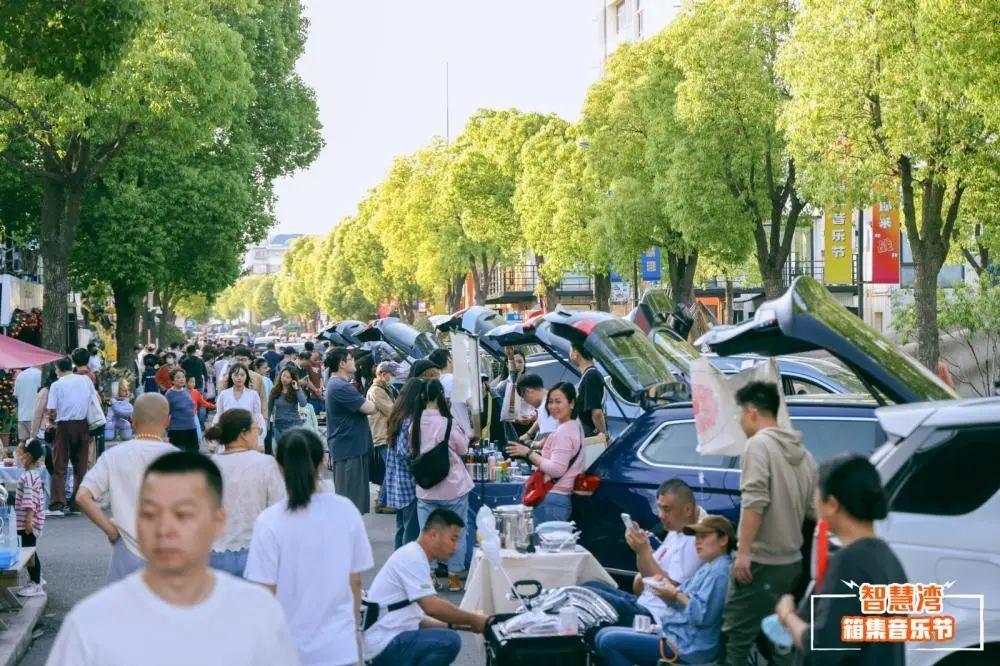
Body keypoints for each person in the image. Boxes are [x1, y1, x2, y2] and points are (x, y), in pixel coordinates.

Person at [47, 451, 299, 665]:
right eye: (149, 513)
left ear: (217, 522)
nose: (164, 528)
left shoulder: (259, 616)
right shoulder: (89, 625)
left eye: (183, 514)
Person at [245, 427, 374, 665]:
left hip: (287, 650)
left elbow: (265, 593)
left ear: (279, 467)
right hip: (339, 648)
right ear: (323, 462)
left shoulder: (269, 521)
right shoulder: (346, 511)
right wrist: (354, 629)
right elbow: (355, 581)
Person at [775, 454, 907, 665]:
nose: (814, 503)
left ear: (832, 504)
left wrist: (787, 615)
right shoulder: (888, 558)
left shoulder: (849, 563)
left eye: (816, 495)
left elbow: (821, 647)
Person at [723, 381, 818, 666]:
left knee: (734, 639)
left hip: (761, 561)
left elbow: (755, 502)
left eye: (740, 414)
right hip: (791, 563)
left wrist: (744, 553)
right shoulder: (804, 454)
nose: (740, 421)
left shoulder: (757, 445)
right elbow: (815, 511)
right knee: (779, 638)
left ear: (752, 412)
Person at [594, 515, 736, 666]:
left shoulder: (720, 572)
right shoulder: (709, 566)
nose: (697, 542)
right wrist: (666, 592)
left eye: (704, 536)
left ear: (723, 540)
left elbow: (701, 616)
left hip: (688, 647)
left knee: (608, 642)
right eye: (696, 537)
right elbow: (682, 601)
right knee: (602, 635)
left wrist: (675, 594)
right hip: (676, 635)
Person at [76, 393, 178, 584]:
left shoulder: (114, 455)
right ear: (167, 421)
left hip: (127, 549)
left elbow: (83, 496)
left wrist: (111, 531)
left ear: (133, 420)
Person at [364, 508, 487, 665]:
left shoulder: (416, 556)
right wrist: (474, 619)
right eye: (453, 539)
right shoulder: (412, 558)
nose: (455, 547)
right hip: (384, 645)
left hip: (387, 640)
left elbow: (417, 619)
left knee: (447, 633)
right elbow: (432, 607)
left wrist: (460, 624)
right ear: (434, 534)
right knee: (449, 641)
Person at [584, 478, 706, 627]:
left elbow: (668, 589)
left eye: (666, 509)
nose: (660, 515)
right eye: (659, 508)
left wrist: (644, 551)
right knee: (589, 585)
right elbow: (645, 578)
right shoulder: (679, 526)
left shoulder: (695, 540)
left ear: (687, 509)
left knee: (585, 594)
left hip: (656, 616)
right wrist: (641, 549)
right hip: (644, 603)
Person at [206, 410, 285, 577]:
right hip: (256, 551)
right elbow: (279, 509)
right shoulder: (266, 463)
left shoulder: (209, 465)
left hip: (214, 552)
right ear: (243, 433)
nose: (258, 434)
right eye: (256, 429)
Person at [412, 378, 472, 592]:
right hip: (453, 486)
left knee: (427, 533)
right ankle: (455, 577)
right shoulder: (448, 422)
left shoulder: (415, 423)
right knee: (457, 532)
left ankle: (430, 575)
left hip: (426, 488)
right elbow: (463, 448)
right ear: (439, 396)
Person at [505, 381, 584, 525]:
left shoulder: (564, 432)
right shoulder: (571, 427)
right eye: (551, 402)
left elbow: (556, 469)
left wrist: (528, 453)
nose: (553, 407)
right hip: (558, 497)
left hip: (554, 499)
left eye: (558, 402)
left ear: (571, 404)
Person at [324, 347, 375, 514]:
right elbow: (369, 408)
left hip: (350, 447)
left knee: (352, 500)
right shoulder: (340, 386)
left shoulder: (338, 384)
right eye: (350, 359)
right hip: (349, 449)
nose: (354, 361)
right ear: (341, 364)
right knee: (350, 501)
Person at [46, 357, 98, 515]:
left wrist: (51, 420)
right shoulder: (85, 381)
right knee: (80, 466)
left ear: (59, 369)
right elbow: (93, 400)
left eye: (56, 369)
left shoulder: (57, 384)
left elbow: (52, 409)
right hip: (83, 425)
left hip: (64, 426)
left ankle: (58, 503)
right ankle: (78, 503)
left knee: (59, 465)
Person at [383, 379, 423, 549]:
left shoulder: (397, 415)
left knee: (401, 526)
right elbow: (405, 451)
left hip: (397, 479)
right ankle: (406, 564)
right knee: (411, 529)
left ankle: (398, 563)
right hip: (408, 481)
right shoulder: (410, 419)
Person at [15, 438, 46, 598]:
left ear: (27, 456)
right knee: (30, 551)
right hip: (34, 521)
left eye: (19, 453)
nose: (17, 456)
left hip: (28, 523)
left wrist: (28, 522)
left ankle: (36, 583)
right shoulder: (33, 474)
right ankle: (36, 579)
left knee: (28, 553)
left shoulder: (26, 477)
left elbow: (29, 502)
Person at [215, 363, 266, 450]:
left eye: (242, 375)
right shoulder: (224, 394)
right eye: (236, 375)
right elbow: (219, 416)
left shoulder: (253, 394)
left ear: (246, 377)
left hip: (246, 435)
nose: (239, 378)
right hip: (228, 436)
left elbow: (257, 417)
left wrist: (259, 440)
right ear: (231, 376)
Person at [367, 361, 396, 511]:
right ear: (383, 375)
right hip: (382, 434)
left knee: (389, 469)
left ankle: (382, 499)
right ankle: (382, 502)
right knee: (390, 468)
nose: (393, 378)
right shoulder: (377, 390)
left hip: (384, 433)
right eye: (392, 375)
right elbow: (391, 410)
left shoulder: (384, 389)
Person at [218, 346, 269, 424]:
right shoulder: (226, 379)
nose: (240, 362)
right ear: (234, 360)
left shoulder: (257, 378)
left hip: (251, 421)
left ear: (249, 361)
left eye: (243, 360)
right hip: (230, 421)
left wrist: (264, 420)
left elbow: (263, 400)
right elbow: (220, 404)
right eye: (238, 359)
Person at [571, 343, 607, 440]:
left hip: (592, 435)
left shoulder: (591, 377)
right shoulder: (589, 375)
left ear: (575, 353)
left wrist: (604, 436)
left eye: (570, 350)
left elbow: (596, 413)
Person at [499, 349, 535, 435]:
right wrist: (516, 419)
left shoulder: (531, 384)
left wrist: (532, 417)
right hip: (510, 429)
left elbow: (538, 406)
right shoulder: (502, 387)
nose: (517, 365)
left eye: (520, 362)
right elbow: (498, 412)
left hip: (530, 428)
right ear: (508, 365)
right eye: (514, 362)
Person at [514, 373, 558, 441]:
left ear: (528, 391)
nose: (526, 402)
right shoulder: (554, 398)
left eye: (524, 398)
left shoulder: (546, 408)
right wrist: (529, 434)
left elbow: (550, 442)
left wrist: (532, 446)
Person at [268, 367, 307, 443]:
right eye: (283, 376)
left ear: (292, 379)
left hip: (294, 424)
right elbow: (269, 408)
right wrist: (267, 422)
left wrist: (297, 389)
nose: (284, 379)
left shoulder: (296, 390)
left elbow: (303, 404)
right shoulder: (275, 390)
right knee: (281, 451)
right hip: (279, 425)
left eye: (288, 377)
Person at [165, 368, 199, 453]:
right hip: (177, 430)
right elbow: (166, 413)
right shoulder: (169, 394)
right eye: (178, 377)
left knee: (193, 454)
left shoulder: (187, 391)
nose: (181, 379)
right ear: (172, 381)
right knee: (178, 457)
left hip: (191, 427)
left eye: (183, 377)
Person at [13, 364, 42, 446]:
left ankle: (21, 459)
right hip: (35, 416)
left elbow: (15, 396)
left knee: (23, 444)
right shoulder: (39, 374)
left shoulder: (20, 376)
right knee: (36, 445)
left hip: (22, 415)